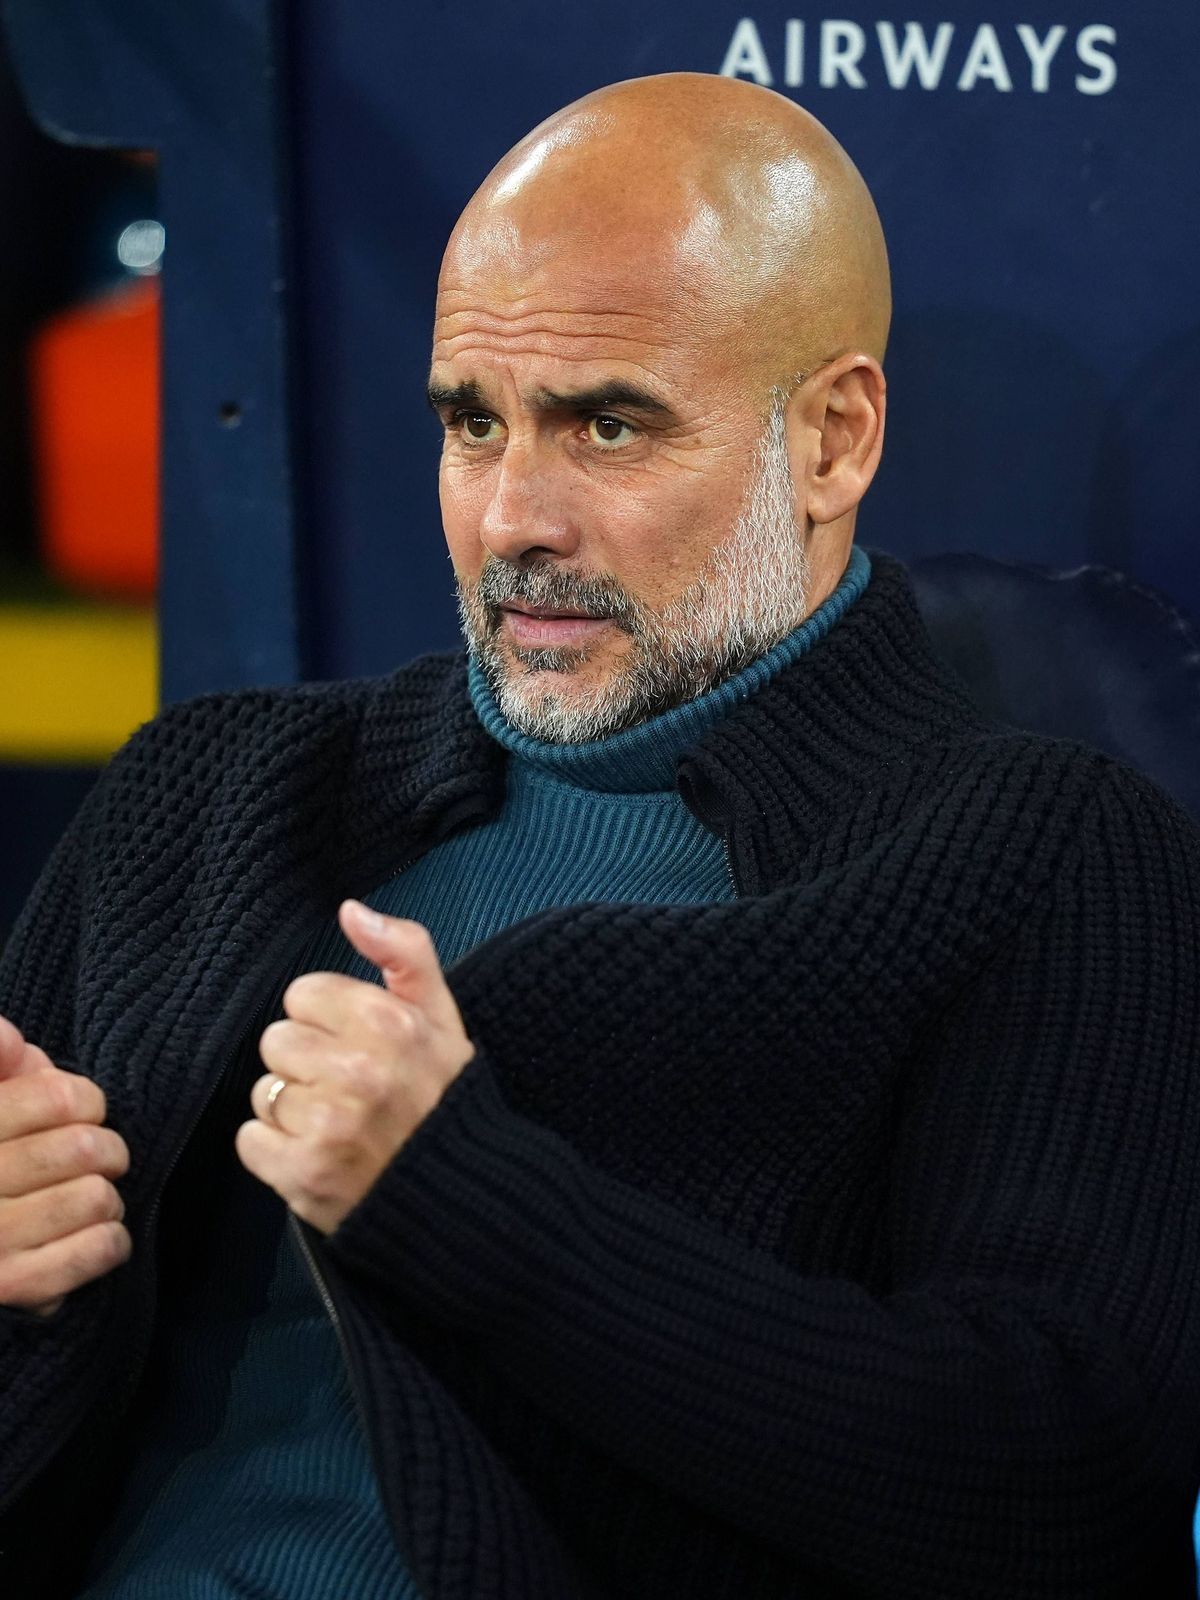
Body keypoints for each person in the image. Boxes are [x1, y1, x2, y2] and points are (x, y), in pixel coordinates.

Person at [1, 70, 1198, 1600]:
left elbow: (1065, 1489)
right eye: (471, 423)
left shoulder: (1048, 861)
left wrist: (473, 1210)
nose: (513, 518)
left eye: (608, 427)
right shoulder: (213, 791)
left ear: (832, 440)